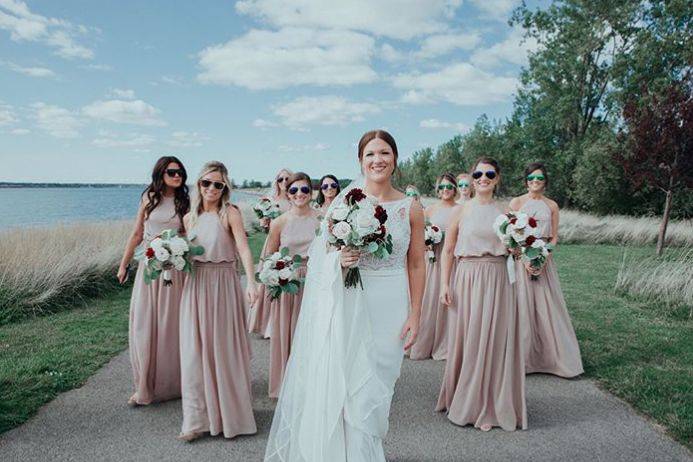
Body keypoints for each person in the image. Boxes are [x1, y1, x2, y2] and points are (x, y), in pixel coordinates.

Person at [264, 129, 426, 461]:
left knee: (376, 391)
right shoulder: (346, 201)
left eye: (384, 153)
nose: (377, 160)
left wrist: (416, 313)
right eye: (370, 154)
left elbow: (417, 264)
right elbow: (322, 253)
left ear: (395, 158)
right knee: (348, 389)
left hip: (391, 303)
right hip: (351, 300)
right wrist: (341, 259)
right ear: (360, 160)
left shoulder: (411, 207)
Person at [437, 158, 527, 432]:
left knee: (496, 339)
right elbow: (448, 250)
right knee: (471, 337)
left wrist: (519, 249)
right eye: (478, 173)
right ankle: (466, 400)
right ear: (473, 178)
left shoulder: (506, 213)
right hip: (467, 278)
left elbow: (516, 250)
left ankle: (491, 403)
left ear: (497, 178)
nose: (483, 178)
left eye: (489, 173)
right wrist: (444, 284)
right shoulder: (461, 211)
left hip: (499, 279)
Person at [178, 161, 258, 441]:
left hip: (223, 284)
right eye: (206, 183)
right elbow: (185, 255)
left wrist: (251, 280)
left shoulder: (230, 213)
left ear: (225, 188)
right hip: (195, 285)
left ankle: (230, 415)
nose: (211, 188)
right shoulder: (189, 218)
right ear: (198, 185)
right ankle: (195, 420)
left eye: (218, 184)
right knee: (193, 352)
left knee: (223, 350)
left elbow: (244, 249)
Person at [118, 156, 189, 406]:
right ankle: (145, 386)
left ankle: (176, 384)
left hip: (175, 270)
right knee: (145, 324)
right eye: (172, 172)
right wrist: (124, 263)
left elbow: (190, 235)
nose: (177, 176)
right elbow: (137, 233)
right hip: (149, 268)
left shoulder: (185, 201)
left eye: (180, 172)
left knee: (171, 326)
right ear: (161, 173)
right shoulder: (148, 197)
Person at [510, 162, 583, 377]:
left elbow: (554, 237)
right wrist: (524, 258)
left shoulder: (551, 206)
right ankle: (520, 359)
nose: (535, 182)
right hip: (520, 257)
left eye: (539, 179)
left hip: (543, 258)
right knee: (520, 305)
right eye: (531, 178)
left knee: (545, 306)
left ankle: (548, 358)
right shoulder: (517, 202)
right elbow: (511, 234)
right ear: (526, 181)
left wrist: (542, 259)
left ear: (545, 182)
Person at [264, 172, 321, 398]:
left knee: (313, 332)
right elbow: (269, 256)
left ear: (311, 192)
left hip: (315, 279)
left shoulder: (321, 219)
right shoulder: (279, 222)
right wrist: (274, 278)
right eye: (294, 190)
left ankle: (312, 382)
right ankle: (286, 384)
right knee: (287, 332)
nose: (300, 194)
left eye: (305, 189)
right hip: (288, 282)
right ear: (288, 194)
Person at [409, 173, 458, 361]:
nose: (446, 190)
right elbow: (417, 236)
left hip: (454, 261)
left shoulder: (461, 209)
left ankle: (450, 343)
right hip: (433, 259)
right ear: (438, 190)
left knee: (453, 301)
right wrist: (426, 242)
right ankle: (425, 343)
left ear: (454, 189)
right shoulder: (429, 210)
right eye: (442, 187)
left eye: (450, 187)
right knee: (429, 301)